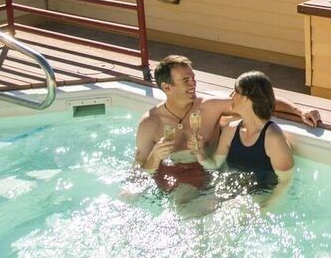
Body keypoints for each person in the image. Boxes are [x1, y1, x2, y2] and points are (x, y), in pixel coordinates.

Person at [134, 56, 318, 199]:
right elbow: (141, 169)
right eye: (186, 80)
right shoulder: (150, 123)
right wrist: (156, 156)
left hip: (214, 176)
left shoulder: (209, 107)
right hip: (176, 180)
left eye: (193, 78)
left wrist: (298, 110)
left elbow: (255, 100)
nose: (193, 83)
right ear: (167, 87)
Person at [207, 70, 295, 210]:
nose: (230, 95)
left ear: (247, 99)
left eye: (235, 91)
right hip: (231, 189)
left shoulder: (273, 138)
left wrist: (266, 207)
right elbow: (215, 164)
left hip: (259, 195)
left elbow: (286, 181)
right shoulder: (231, 129)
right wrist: (198, 152)